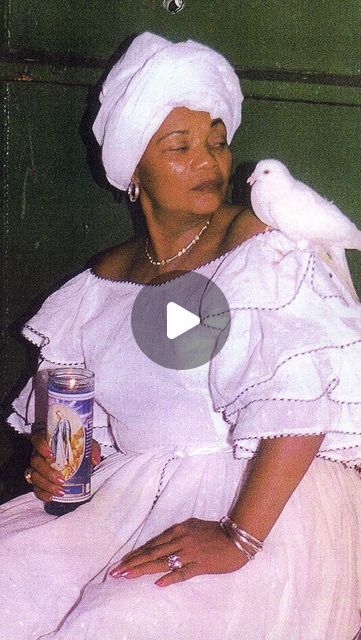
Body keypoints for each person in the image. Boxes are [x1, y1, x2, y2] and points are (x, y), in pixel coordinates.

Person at [1, 31, 361, 640]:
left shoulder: (258, 244)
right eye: (180, 146)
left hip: (261, 501)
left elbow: (305, 399)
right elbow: (92, 439)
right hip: (130, 499)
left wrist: (237, 537)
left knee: (120, 623)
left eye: (219, 144)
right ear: (132, 167)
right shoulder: (97, 287)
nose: (211, 162)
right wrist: (64, 461)